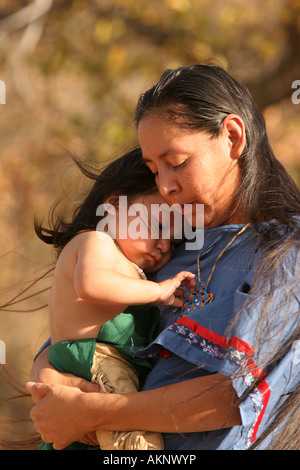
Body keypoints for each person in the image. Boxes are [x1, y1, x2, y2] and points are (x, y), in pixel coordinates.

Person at [27, 64, 300, 450]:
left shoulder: (286, 253)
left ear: (233, 138)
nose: (166, 186)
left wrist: (97, 410)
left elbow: (234, 397)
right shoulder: (167, 248)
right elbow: (80, 331)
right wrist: (51, 377)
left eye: (178, 162)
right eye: (154, 169)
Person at [31, 148, 196, 451]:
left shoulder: (129, 266)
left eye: (173, 242)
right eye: (158, 226)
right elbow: (92, 285)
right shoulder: (97, 242)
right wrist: (158, 293)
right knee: (135, 438)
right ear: (113, 208)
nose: (163, 245)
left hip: (103, 367)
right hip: (96, 362)